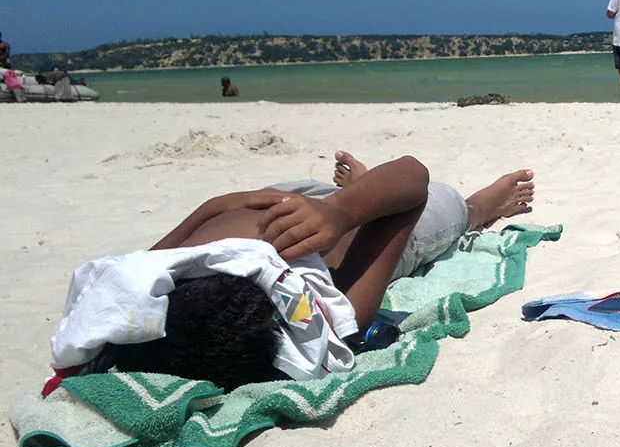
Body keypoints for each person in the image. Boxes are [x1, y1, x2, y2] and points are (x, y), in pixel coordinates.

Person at [46, 153, 535, 392]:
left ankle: (361, 192)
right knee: (446, 208)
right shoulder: (331, 307)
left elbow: (211, 208)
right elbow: (414, 179)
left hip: (291, 199)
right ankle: (480, 207)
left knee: (353, 197)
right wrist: (345, 215)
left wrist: (334, 209)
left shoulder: (158, 274)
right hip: (361, 230)